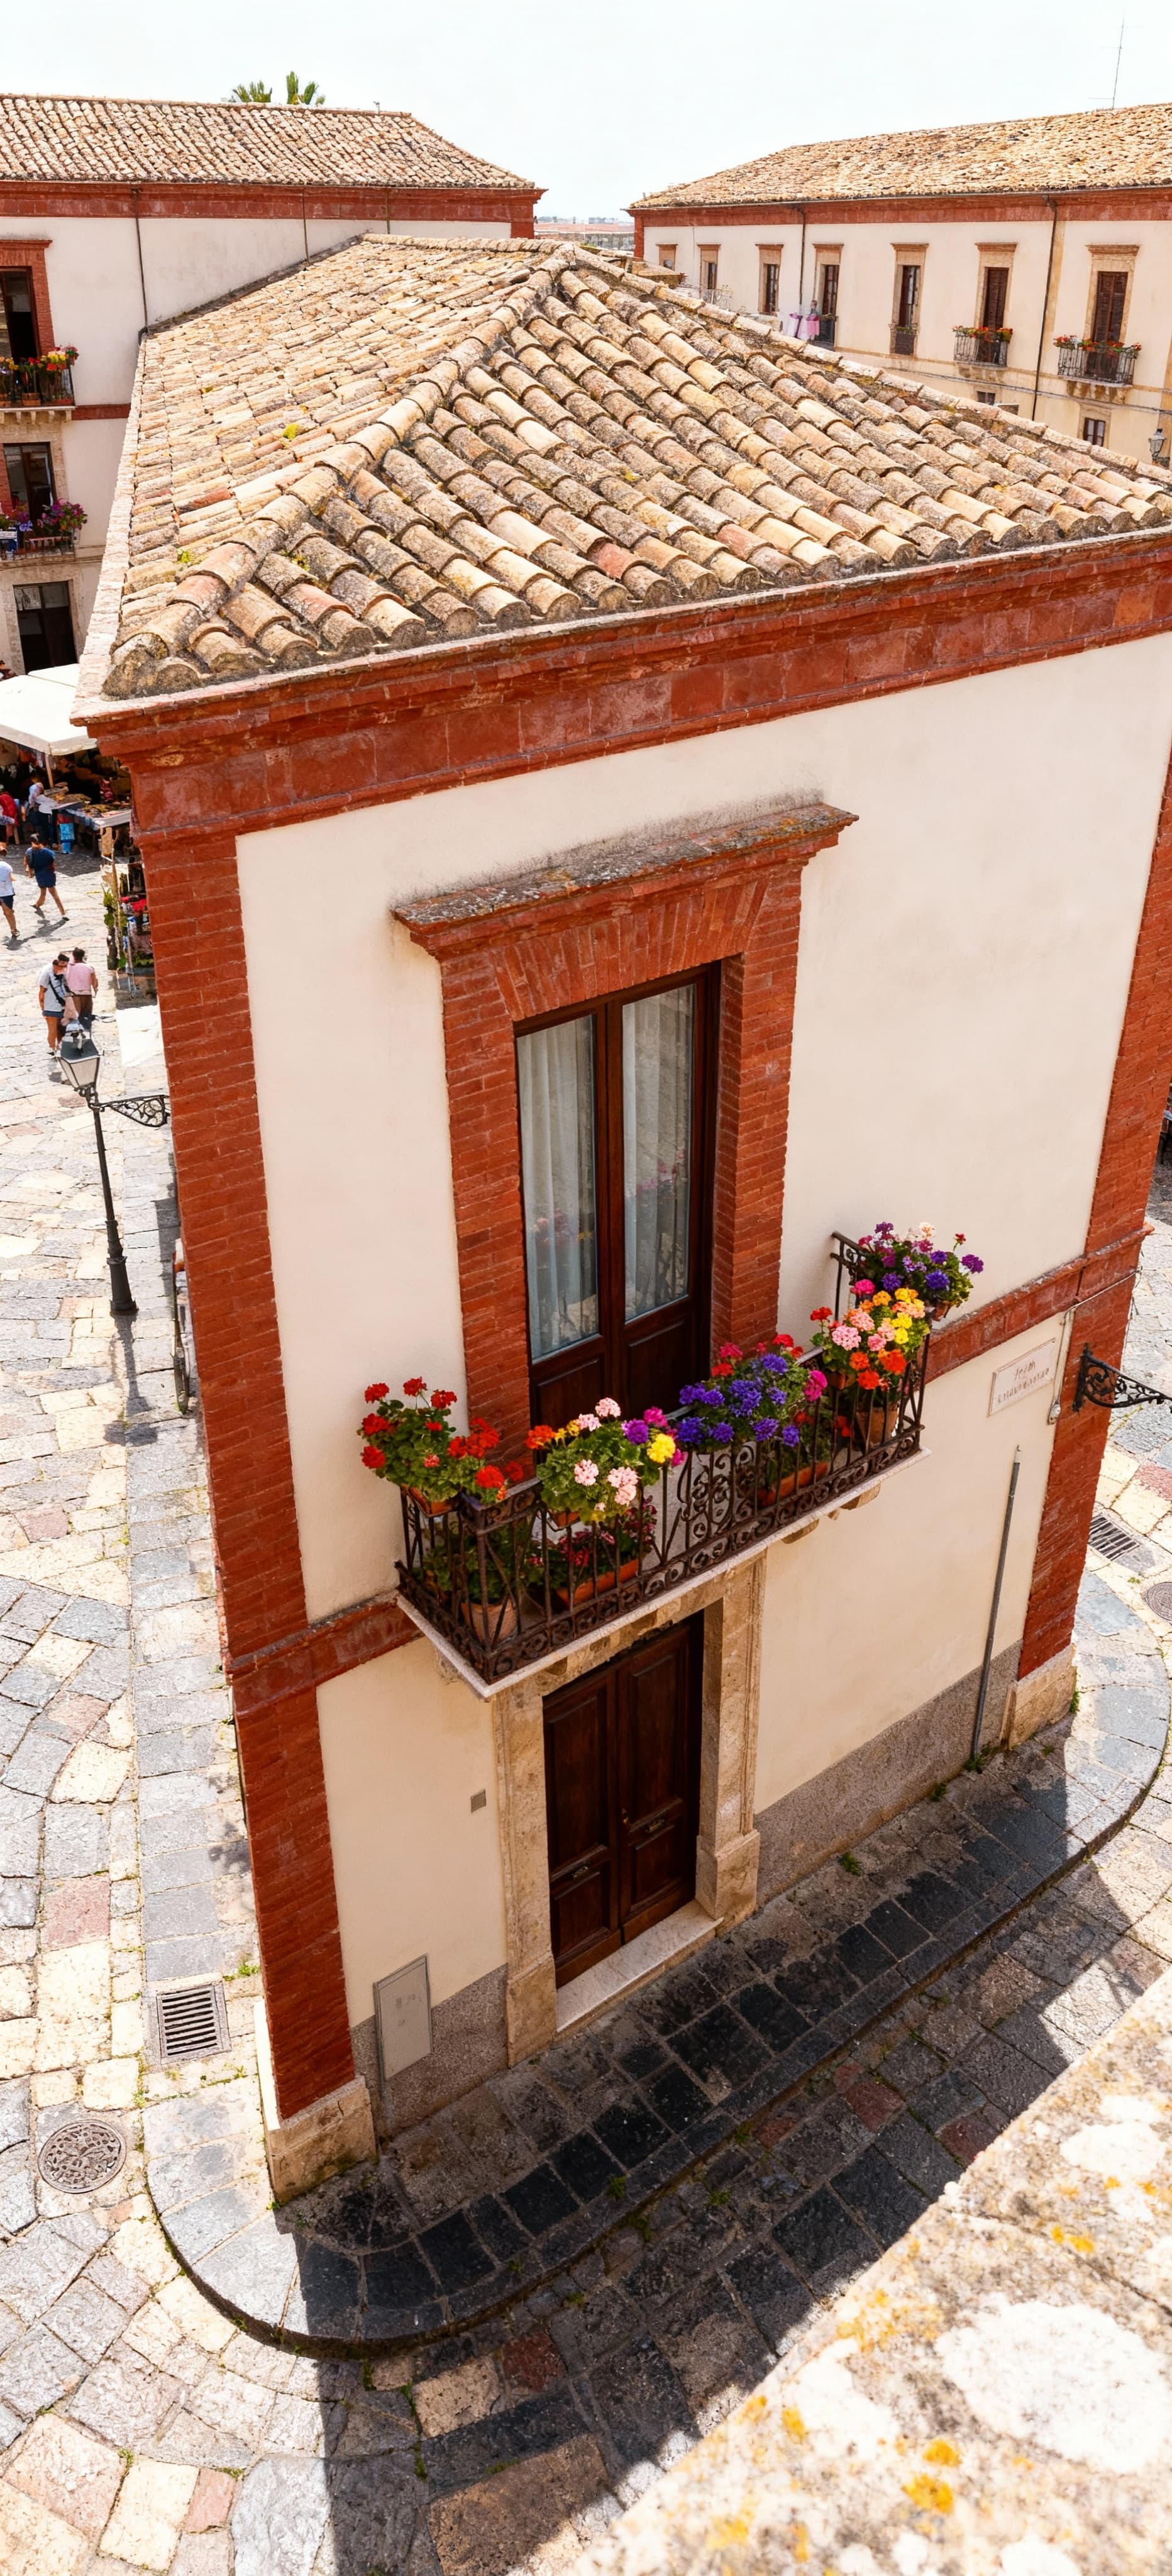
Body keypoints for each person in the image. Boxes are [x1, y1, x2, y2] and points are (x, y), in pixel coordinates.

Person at [24, 833, 66, 924]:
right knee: (55, 895)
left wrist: (30, 872)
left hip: (40, 875)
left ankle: (38, 905)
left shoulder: (29, 852)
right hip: (49, 874)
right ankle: (63, 913)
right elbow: (52, 858)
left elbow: (28, 863)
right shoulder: (47, 852)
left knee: (43, 891)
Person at [38, 952, 70, 1065]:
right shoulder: (46, 973)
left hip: (63, 1006)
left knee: (62, 1030)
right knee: (52, 1030)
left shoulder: (65, 970)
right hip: (50, 1007)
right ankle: (53, 1049)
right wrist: (43, 1009)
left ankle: (60, 1048)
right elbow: (41, 992)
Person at [64, 945, 97, 1024]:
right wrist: (95, 991)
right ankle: (86, 1032)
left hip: (72, 995)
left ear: (73, 956)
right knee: (86, 1016)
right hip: (86, 994)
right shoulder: (89, 967)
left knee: (74, 1017)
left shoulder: (67, 967)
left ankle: (75, 1032)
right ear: (83, 956)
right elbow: (94, 982)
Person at [0, 850, 17, 943]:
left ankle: (14, 929)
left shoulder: (5, 866)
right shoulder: (6, 866)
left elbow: (11, 878)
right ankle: (14, 929)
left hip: (5, 893)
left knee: (8, 913)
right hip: (6, 892)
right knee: (8, 913)